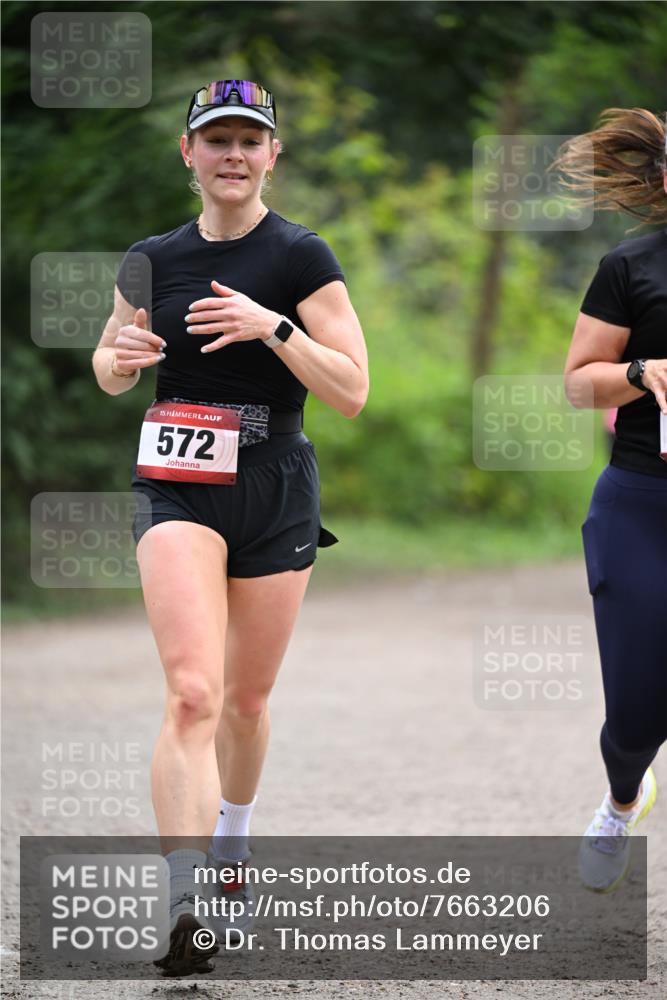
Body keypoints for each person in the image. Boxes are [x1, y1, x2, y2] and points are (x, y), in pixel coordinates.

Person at [92, 79, 369, 975]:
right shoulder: (150, 257)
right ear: (189, 154)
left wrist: (272, 326)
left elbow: (352, 390)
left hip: (275, 480)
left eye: (251, 139)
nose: (234, 154)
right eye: (217, 140)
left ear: (273, 155)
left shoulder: (300, 254)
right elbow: (108, 361)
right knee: (191, 695)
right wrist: (121, 358)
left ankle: (234, 845)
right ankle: (186, 898)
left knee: (245, 705)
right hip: (177, 482)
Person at [556, 108, 667, 892]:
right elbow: (575, 382)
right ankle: (622, 796)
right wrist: (638, 373)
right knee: (634, 709)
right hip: (640, 501)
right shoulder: (630, 265)